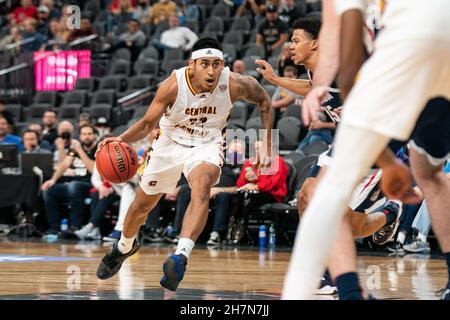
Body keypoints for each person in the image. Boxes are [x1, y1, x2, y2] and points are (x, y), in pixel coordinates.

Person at [283, 0, 450, 300]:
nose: (291, 45)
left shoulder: (340, 30)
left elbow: (347, 69)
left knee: (323, 198)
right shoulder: (314, 66)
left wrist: (388, 163)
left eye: (296, 40)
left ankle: (347, 290)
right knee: (429, 172)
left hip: (396, 74)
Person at [95, 37, 274, 292]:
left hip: (208, 143)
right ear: (192, 65)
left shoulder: (234, 83)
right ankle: (124, 246)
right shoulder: (173, 85)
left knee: (201, 187)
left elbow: (265, 101)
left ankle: (181, 255)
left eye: (216, 64)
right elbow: (147, 124)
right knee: (141, 206)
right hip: (169, 142)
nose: (211, 70)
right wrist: (120, 138)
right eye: (205, 64)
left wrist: (267, 142)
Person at [41, 124, 98, 234]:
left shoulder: (98, 149)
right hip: (74, 184)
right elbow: (65, 164)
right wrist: (53, 180)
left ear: (95, 135)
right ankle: (54, 227)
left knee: (74, 185)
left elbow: (93, 170)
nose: (86, 137)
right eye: (84, 134)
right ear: (80, 136)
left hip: (91, 184)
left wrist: (80, 151)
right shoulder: (73, 149)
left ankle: (75, 226)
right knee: (49, 190)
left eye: (89, 134)